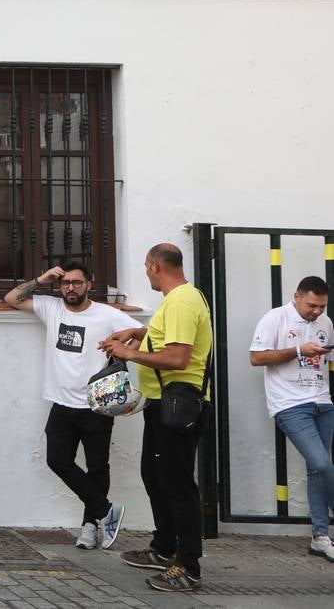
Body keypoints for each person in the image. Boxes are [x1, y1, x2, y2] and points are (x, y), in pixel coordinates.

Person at [101, 243, 213, 593]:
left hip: (178, 405)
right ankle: (164, 548)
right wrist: (137, 333)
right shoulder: (181, 298)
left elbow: (178, 357)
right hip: (162, 403)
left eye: (145, 266)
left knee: (177, 484)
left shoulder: (180, 301)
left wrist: (128, 353)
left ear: (153, 265)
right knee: (155, 475)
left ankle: (188, 566)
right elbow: (167, 340)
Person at [5, 261, 138, 549]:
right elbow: (11, 299)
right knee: (58, 460)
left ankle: (89, 527)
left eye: (77, 283)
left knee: (97, 467)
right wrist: (41, 278)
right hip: (62, 404)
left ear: (89, 284)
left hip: (97, 405)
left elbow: (144, 333)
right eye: (66, 283)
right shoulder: (51, 307)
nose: (71, 288)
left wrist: (124, 347)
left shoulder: (106, 314)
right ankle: (106, 511)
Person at [248, 275, 334, 562]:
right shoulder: (275, 318)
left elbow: (324, 363)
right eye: (312, 305)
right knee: (322, 463)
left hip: (323, 401)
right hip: (290, 404)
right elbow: (256, 358)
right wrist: (298, 350)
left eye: (322, 306)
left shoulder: (326, 324)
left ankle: (320, 536)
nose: (317, 312)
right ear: (296, 296)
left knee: (317, 468)